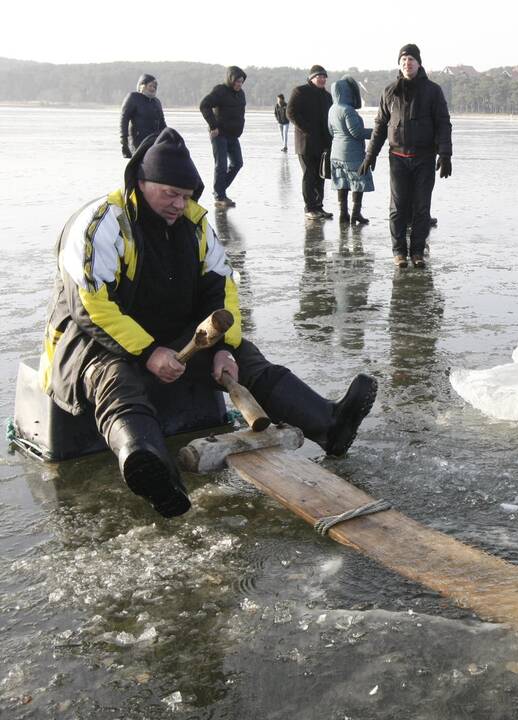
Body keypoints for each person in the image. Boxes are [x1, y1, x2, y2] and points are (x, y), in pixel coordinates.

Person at [38, 129, 377, 518]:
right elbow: (90, 306)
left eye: (185, 195)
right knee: (115, 378)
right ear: (141, 182)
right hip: (92, 342)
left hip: (170, 338)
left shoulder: (196, 225)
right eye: (169, 193)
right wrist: (149, 352)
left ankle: (330, 425)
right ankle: (149, 465)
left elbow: (223, 291)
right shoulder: (103, 222)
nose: (178, 204)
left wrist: (223, 349)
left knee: (247, 360)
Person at [360, 44, 452, 269]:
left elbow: (442, 123)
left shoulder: (433, 90)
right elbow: (381, 125)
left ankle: (417, 252)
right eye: (403, 60)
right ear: (399, 65)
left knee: (421, 207)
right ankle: (399, 252)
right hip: (398, 157)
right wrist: (370, 155)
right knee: (398, 207)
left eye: (411, 59)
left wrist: (445, 154)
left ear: (419, 63)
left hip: (424, 158)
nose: (407, 63)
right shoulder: (390, 91)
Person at [288, 65, 335, 220]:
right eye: (318, 77)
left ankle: (319, 207)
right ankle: (309, 208)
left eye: (324, 77)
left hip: (322, 143)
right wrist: (306, 129)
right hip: (305, 143)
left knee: (320, 176)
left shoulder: (327, 96)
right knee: (309, 175)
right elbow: (291, 113)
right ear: (311, 78)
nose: (322, 79)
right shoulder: (300, 91)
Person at [328, 76, 374, 226]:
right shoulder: (348, 110)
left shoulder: (332, 109)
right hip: (352, 154)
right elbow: (357, 132)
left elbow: (331, 131)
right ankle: (355, 214)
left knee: (342, 183)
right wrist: (376, 133)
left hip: (336, 153)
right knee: (357, 182)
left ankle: (343, 213)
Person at [198, 66, 247, 208]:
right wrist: (213, 126)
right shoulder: (220, 90)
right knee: (221, 165)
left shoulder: (241, 94)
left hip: (233, 135)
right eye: (237, 81)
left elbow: (241, 114)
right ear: (231, 80)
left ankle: (219, 190)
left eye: (242, 82)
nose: (239, 84)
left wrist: (240, 129)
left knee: (238, 163)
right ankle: (220, 196)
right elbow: (204, 105)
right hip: (219, 135)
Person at [120, 73, 166, 159]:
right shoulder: (133, 97)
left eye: (155, 87)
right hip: (137, 142)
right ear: (142, 85)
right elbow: (124, 118)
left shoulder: (156, 102)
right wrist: (123, 139)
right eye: (150, 86)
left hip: (154, 142)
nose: (153, 88)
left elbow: (162, 123)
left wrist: (168, 136)